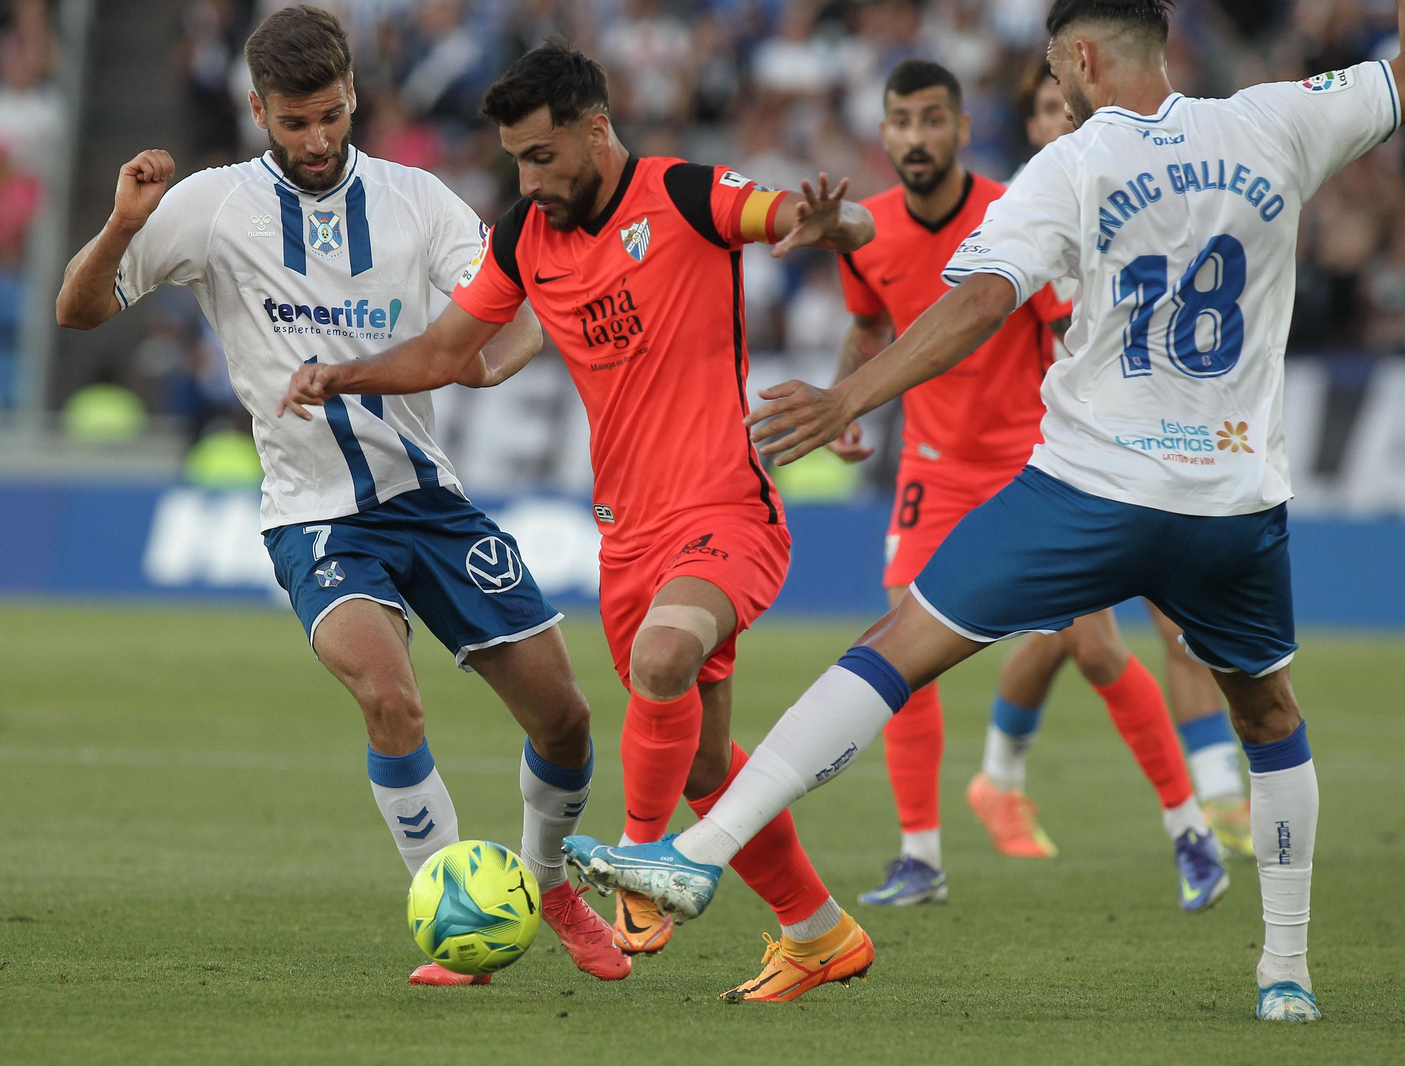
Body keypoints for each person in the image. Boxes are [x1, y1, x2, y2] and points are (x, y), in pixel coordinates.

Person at [565, 0, 1400, 1023]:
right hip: (1230, 503)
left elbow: (972, 304)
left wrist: (845, 397)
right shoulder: (1277, 119)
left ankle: (699, 851)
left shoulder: (1070, 166)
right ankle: (1285, 972)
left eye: (1058, 66)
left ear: (1082, 56)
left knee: (894, 646)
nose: (1060, 86)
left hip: (1089, 491)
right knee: (1268, 713)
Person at [279, 41, 880, 1002]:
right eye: (517, 160)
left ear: (596, 131)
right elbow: (450, 349)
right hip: (628, 535)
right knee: (705, 766)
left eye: (542, 157)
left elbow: (779, 215)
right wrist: (341, 374)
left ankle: (640, 863)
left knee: (661, 659)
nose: (528, 179)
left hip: (727, 506)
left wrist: (826, 221)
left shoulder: (682, 194)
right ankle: (818, 932)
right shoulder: (527, 239)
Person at [55, 6, 628, 989]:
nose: (315, 140)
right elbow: (78, 309)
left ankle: (546, 888)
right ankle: (453, 916)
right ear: (257, 111)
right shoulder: (211, 205)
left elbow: (511, 308)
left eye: (329, 116)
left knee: (566, 720)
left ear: (353, 94)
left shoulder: (419, 202)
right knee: (388, 696)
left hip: (431, 505)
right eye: (293, 123)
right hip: (313, 515)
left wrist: (497, 363)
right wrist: (121, 224)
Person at [831, 57, 1226, 914]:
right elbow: (868, 322)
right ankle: (920, 857)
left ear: (963, 129)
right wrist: (847, 399)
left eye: (933, 120)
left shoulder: (1019, 211)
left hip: (1032, 463)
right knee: (901, 641)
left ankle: (1190, 829)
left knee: (1095, 648)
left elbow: (1073, 335)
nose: (916, 137)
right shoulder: (871, 232)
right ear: (885, 131)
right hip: (932, 471)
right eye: (901, 121)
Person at [964, 62, 1253, 863]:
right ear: (1031, 126)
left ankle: (1218, 797)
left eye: (1070, 105)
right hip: (1057, 449)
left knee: (1165, 622)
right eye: (1048, 110)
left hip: (1134, 440)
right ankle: (1007, 780)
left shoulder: (1129, 186)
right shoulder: (1036, 201)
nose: (1064, 118)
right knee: (1085, 640)